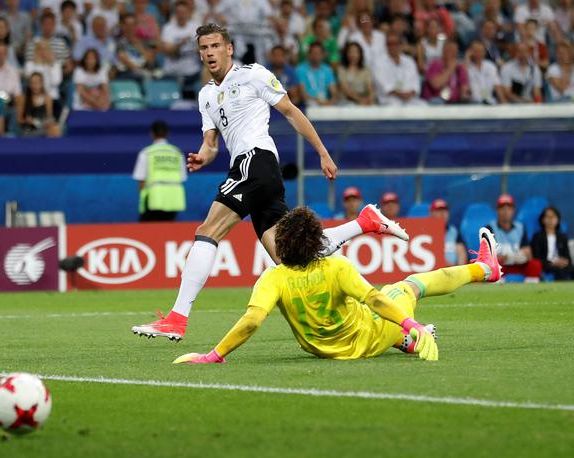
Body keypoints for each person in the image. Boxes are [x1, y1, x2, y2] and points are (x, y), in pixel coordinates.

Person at [131, 24, 408, 341]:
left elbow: (291, 112)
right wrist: (204, 157)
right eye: (203, 48)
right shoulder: (206, 95)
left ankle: (177, 318)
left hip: (256, 162)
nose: (209, 53)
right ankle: (367, 237)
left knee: (207, 232)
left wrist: (322, 152)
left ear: (229, 48)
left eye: (214, 46)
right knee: (293, 258)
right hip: (249, 168)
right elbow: (212, 143)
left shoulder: (252, 75)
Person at [171, 207, 503, 364]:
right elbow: (374, 300)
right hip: (369, 337)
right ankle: (484, 270)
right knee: (411, 285)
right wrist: (411, 322)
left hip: (323, 350)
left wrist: (214, 355)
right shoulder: (336, 265)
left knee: (358, 309)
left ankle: (405, 340)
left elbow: (253, 320)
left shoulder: (272, 277)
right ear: (317, 240)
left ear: (283, 243)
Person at [132, 120, 187, 222]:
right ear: (167, 134)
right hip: (173, 199)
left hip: (153, 199)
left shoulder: (147, 153)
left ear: (152, 134)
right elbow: (182, 178)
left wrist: (143, 199)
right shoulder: (177, 153)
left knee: (147, 232)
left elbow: (141, 179)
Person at [486, 194, 542, 282]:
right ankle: (497, 290)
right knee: (493, 266)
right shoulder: (489, 228)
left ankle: (531, 290)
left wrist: (522, 255)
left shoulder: (520, 227)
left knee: (535, 264)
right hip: (501, 265)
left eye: (508, 208)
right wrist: (499, 257)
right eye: (502, 208)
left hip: (517, 264)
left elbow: (528, 252)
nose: (505, 211)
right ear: (497, 210)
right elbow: (486, 255)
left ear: (513, 211)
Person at [161, 0, 201, 96]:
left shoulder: (196, 27)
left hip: (192, 72)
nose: (181, 15)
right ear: (175, 13)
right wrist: (181, 43)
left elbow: (202, 49)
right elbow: (168, 51)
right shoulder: (168, 28)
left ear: (188, 13)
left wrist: (199, 49)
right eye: (179, 12)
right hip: (172, 72)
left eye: (184, 12)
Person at [374, 34, 424, 106]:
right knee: (396, 107)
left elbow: (415, 82)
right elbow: (383, 86)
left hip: (409, 98)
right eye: (390, 44)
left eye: (396, 44)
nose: (393, 47)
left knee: (423, 106)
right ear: (386, 46)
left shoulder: (409, 61)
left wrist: (410, 93)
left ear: (400, 45)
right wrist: (400, 94)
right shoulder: (379, 63)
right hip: (390, 99)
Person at [422, 40, 470, 104]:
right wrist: (450, 69)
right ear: (443, 51)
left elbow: (464, 88)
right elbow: (436, 84)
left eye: (455, 51)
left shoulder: (459, 67)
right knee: (437, 102)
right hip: (436, 99)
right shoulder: (435, 64)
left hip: (455, 101)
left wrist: (464, 92)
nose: (453, 53)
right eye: (450, 50)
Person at [530, 206, 572, 280]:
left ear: (558, 219)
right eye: (548, 217)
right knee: (559, 271)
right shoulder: (537, 237)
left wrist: (564, 261)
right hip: (547, 265)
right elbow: (536, 257)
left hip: (561, 265)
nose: (551, 219)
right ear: (543, 220)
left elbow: (568, 258)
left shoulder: (562, 237)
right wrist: (552, 263)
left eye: (553, 217)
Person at [17, 72, 61, 137]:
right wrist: (27, 121)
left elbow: (49, 117)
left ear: (42, 83)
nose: (34, 86)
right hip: (28, 129)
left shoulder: (47, 98)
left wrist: (47, 123)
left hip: (43, 127)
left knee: (55, 129)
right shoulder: (23, 98)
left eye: (37, 83)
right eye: (32, 83)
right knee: (53, 130)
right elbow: (19, 120)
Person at [116, 13, 156, 81]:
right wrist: (140, 71)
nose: (130, 28)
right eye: (128, 25)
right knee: (145, 76)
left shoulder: (144, 42)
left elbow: (150, 61)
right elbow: (124, 60)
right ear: (123, 26)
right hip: (127, 74)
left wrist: (139, 46)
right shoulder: (119, 43)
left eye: (133, 25)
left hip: (145, 72)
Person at [465, 40, 507, 105]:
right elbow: (464, 79)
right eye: (476, 51)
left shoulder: (490, 66)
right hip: (472, 103)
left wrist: (504, 103)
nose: (478, 54)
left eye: (481, 51)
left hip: (488, 101)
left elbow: (497, 86)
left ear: (484, 52)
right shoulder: (467, 66)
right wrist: (467, 58)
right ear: (471, 52)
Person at [296, 41, 337, 106]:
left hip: (325, 103)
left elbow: (334, 93)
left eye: (319, 53)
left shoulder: (327, 70)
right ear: (309, 54)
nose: (316, 56)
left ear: (323, 55)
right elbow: (302, 93)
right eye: (314, 53)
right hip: (308, 104)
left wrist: (330, 102)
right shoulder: (301, 69)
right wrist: (317, 102)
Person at [429, 198, 467, 266]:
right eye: (438, 210)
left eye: (445, 210)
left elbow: (461, 252)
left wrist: (459, 270)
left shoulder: (453, 231)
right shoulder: (425, 231)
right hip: (431, 272)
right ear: (431, 213)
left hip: (452, 272)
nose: (442, 213)